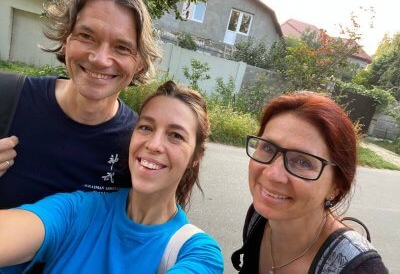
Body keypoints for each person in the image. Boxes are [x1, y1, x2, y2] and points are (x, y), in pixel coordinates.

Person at [0, 81, 224, 273]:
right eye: (146, 127)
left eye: (175, 135)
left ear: (196, 156)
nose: (154, 145)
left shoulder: (198, 253)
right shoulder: (79, 211)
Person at [0, 0, 161, 209]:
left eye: (122, 47)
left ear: (140, 64)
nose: (100, 59)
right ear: (66, 40)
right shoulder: (7, 97)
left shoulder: (138, 145)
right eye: (87, 36)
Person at [231, 92, 388, 273]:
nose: (273, 174)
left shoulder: (360, 269)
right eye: (267, 148)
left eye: (303, 162)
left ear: (336, 186)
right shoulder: (258, 219)